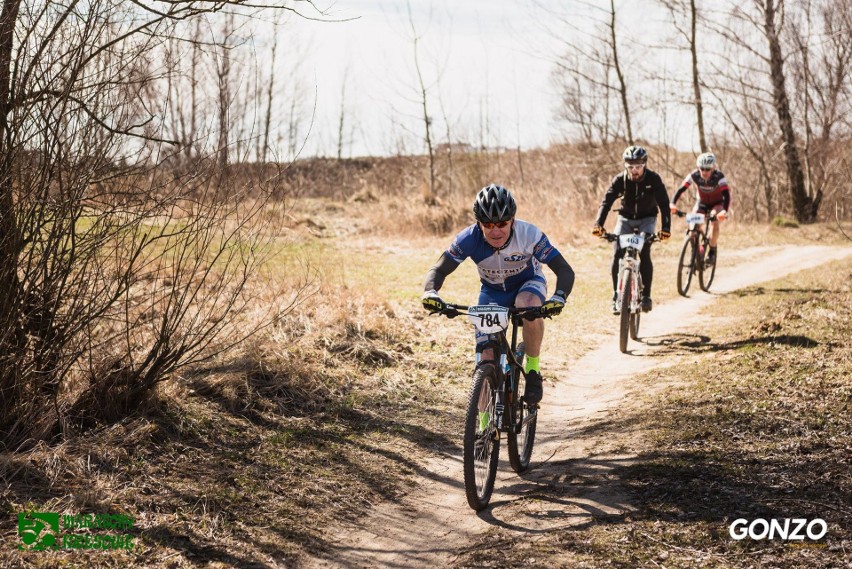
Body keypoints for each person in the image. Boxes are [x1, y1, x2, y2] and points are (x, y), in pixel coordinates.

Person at [421, 183, 575, 405]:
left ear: (512, 220)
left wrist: (559, 297)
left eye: (502, 224)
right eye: (488, 224)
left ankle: (532, 370)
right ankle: (484, 426)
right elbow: (439, 268)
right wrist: (430, 292)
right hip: (492, 292)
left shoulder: (529, 234)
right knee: (486, 358)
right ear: (478, 223)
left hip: (528, 284)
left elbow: (563, 268)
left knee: (527, 305)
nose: (495, 231)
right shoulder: (468, 238)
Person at [592, 145, 671, 314]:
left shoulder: (653, 179)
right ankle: (616, 296)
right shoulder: (620, 180)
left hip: (647, 219)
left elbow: (664, 204)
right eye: (630, 166)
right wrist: (598, 224)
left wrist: (666, 228)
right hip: (626, 219)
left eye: (638, 166)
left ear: (645, 164)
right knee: (617, 251)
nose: (634, 170)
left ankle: (647, 296)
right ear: (625, 165)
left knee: (645, 250)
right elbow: (606, 202)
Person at [670, 152, 731, 265]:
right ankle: (697, 250)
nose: (704, 172)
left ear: (712, 168)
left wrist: (724, 211)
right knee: (692, 227)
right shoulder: (694, 175)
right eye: (702, 169)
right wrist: (672, 204)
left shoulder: (719, 176)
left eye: (707, 169)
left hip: (717, 204)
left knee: (714, 219)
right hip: (702, 203)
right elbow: (681, 189)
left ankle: (712, 250)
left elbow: (726, 195)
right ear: (698, 168)